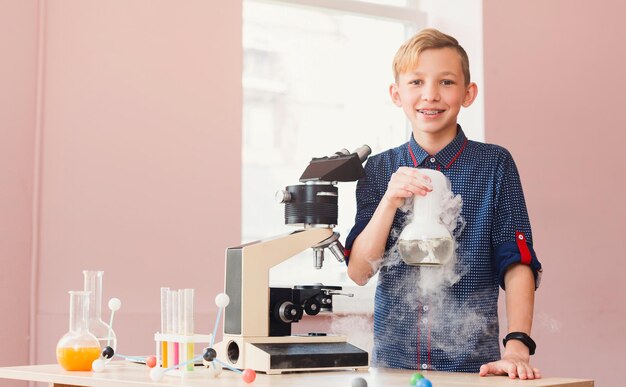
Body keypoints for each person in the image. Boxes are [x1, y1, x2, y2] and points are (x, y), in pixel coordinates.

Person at [344, 28, 543, 380]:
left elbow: (518, 262)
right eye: (416, 82)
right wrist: (390, 200)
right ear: (396, 94)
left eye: (447, 82)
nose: (431, 95)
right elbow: (360, 271)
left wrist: (517, 347)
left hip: (473, 369)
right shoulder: (379, 169)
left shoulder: (494, 165)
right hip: (392, 368)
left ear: (468, 94)